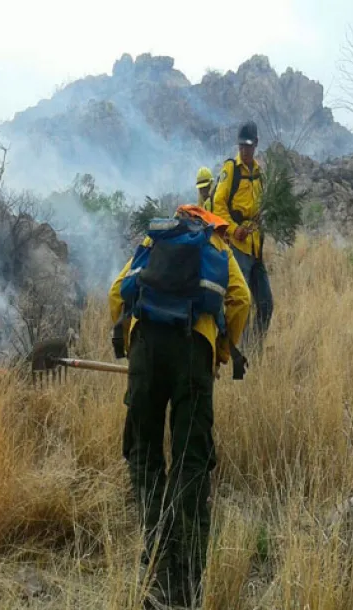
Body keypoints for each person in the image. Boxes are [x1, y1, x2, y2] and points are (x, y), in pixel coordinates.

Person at [108, 204, 250, 609]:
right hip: (193, 351)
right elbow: (240, 300)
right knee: (190, 462)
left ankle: (153, 561)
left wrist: (131, 343)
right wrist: (220, 352)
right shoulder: (217, 244)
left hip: (146, 351)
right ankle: (183, 585)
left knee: (145, 456)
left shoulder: (154, 239)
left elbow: (118, 293)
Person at [212, 120, 273, 349]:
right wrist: (232, 229)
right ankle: (241, 355)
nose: (244, 150)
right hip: (238, 249)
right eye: (241, 146)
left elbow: (261, 206)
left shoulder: (259, 173)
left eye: (248, 146)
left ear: (256, 144)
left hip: (256, 249)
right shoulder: (230, 170)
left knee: (266, 304)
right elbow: (218, 206)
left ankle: (255, 350)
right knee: (242, 303)